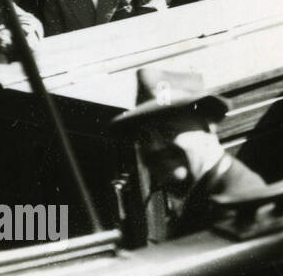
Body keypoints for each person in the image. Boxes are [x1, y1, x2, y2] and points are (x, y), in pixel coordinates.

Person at [112, 67, 267, 240]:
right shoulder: (200, 196)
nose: (154, 148)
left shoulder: (237, 203)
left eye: (167, 131)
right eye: (144, 138)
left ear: (208, 125)